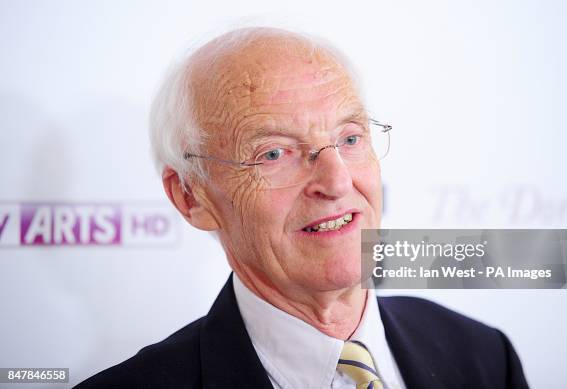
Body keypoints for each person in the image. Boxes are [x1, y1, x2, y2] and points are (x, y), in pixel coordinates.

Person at [75, 27, 529, 389]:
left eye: (350, 139)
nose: (336, 181)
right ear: (192, 197)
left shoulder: (483, 354)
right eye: (274, 153)